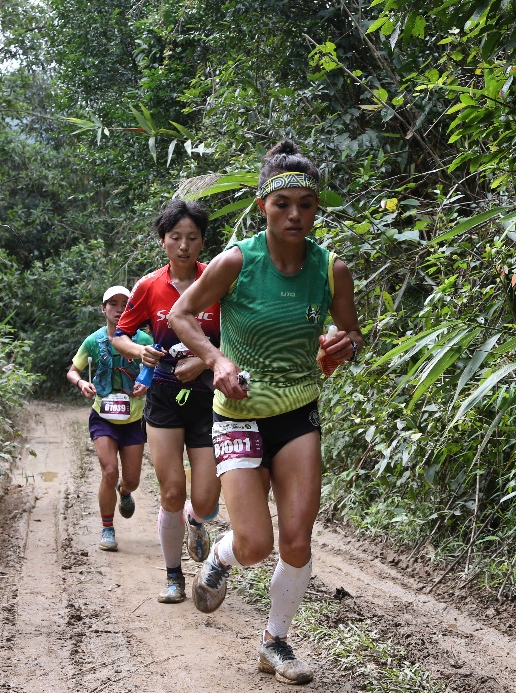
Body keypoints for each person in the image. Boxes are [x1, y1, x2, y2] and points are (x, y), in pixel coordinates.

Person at [168, 140, 362, 684]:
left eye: (306, 203)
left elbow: (349, 334)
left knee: (296, 538)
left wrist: (340, 344)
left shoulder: (331, 270)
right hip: (237, 414)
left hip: (298, 414)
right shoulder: (238, 261)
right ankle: (221, 558)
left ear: (316, 208)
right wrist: (216, 359)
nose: (295, 214)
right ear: (263, 206)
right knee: (255, 544)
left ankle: (275, 641)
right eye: (283, 204)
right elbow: (181, 315)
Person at [112, 199, 221, 604]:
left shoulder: (217, 279)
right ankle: (174, 576)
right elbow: (120, 335)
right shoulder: (148, 286)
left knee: (207, 499)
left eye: (192, 238)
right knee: (172, 490)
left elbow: (236, 335)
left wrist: (202, 360)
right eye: (175, 237)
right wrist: (139, 352)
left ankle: (196, 522)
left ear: (202, 242)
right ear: (163, 241)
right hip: (163, 395)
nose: (183, 246)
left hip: (209, 396)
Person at [67, 285, 152, 552]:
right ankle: (107, 528)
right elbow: (72, 370)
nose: (118, 308)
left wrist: (147, 384)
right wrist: (81, 383)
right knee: (109, 471)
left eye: (124, 303)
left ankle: (124, 492)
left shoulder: (144, 341)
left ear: (132, 308)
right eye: (112, 303)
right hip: (103, 416)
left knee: (132, 480)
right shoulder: (93, 340)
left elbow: (159, 372)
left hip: (134, 418)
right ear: (103, 308)